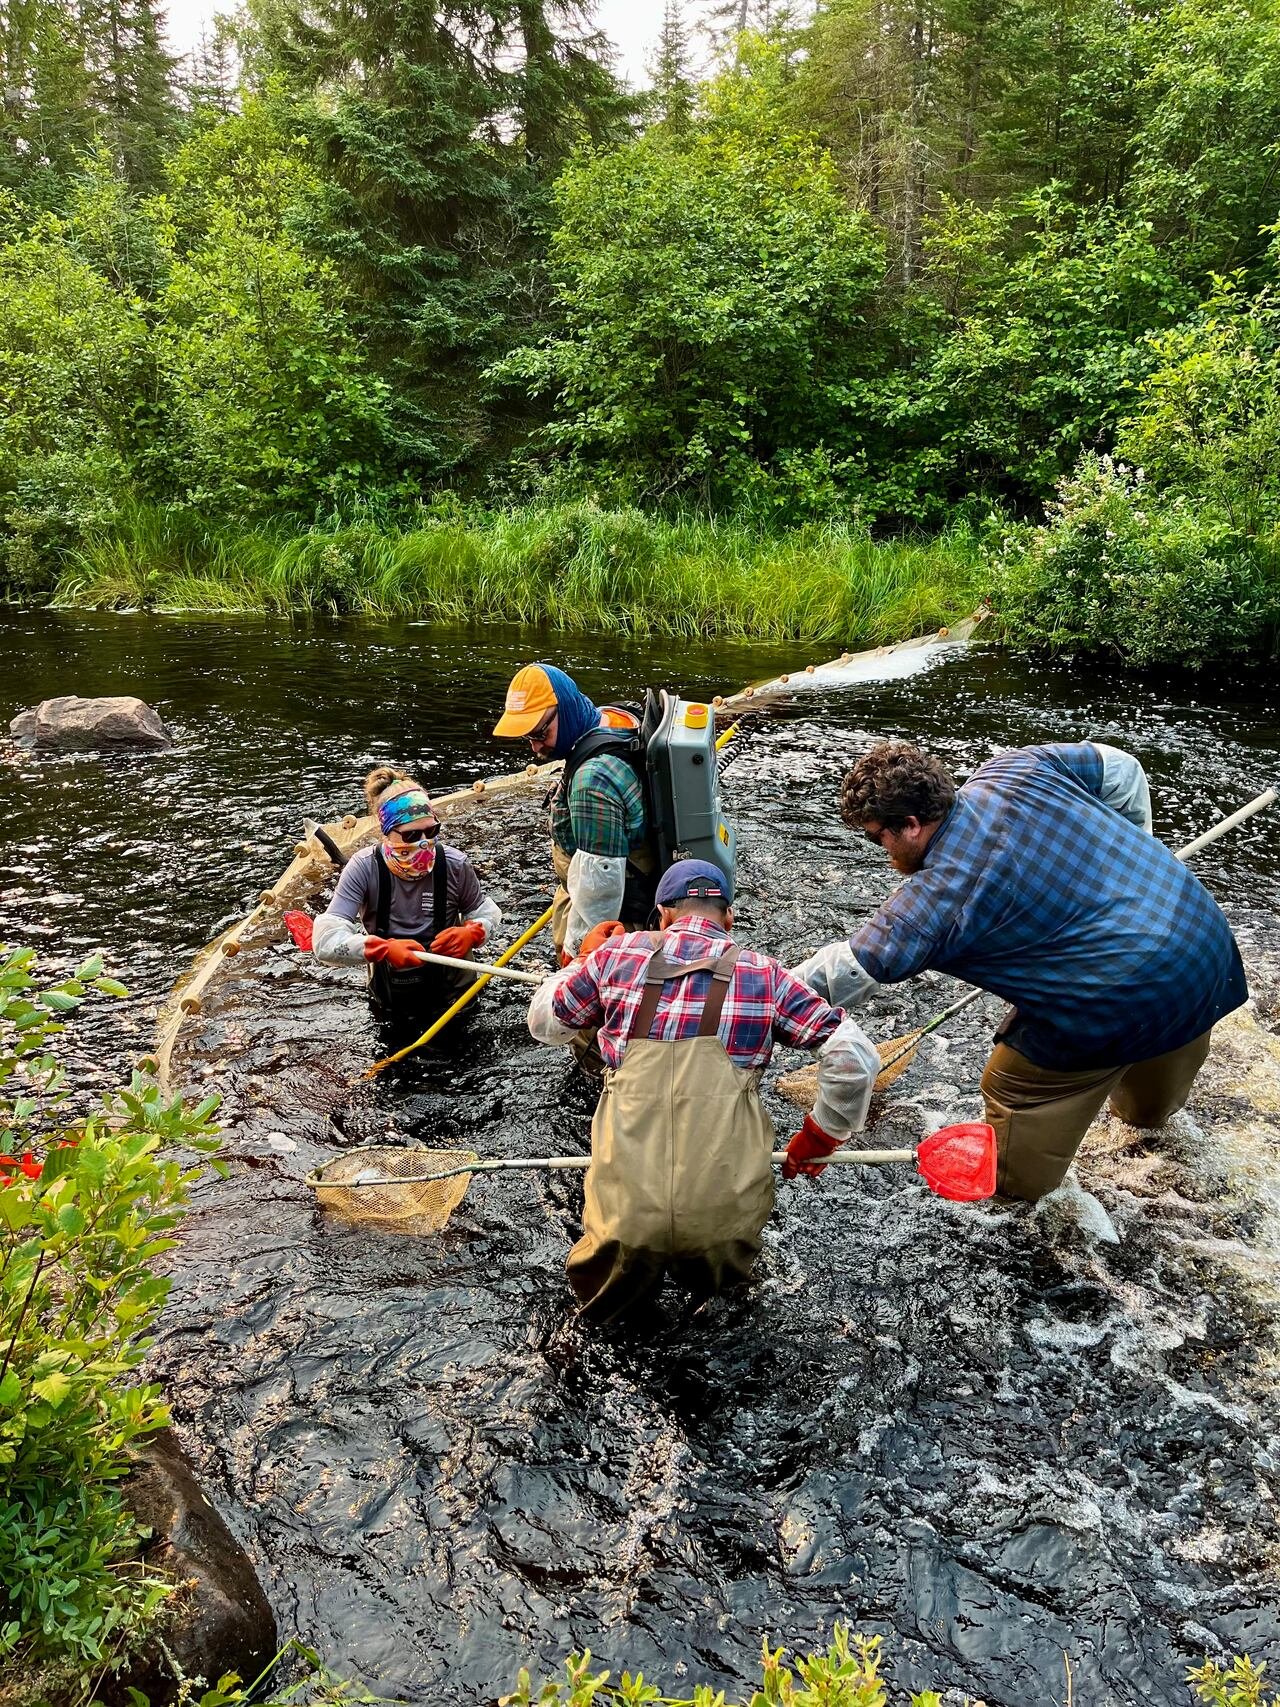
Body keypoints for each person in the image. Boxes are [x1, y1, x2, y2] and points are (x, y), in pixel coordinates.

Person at [791, 739, 1248, 1202]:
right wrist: (1140, 850)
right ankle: (1149, 1126)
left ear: (910, 825)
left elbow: (837, 973)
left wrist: (743, 994)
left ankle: (1016, 1194)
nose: (880, 849)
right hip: (1203, 943)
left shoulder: (927, 905)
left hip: (1120, 998)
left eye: (877, 837)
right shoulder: (1020, 768)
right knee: (1164, 1027)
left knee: (1011, 1083)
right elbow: (1124, 770)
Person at [527, 858, 880, 1323]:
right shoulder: (767, 975)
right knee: (726, 1322)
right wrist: (822, 1133)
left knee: (603, 1326)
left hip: (626, 1217)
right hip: (721, 1220)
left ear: (663, 916)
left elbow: (544, 1024)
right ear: (728, 918)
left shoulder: (616, 956)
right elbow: (854, 1057)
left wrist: (581, 961)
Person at [493, 664, 659, 961]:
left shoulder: (592, 781)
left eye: (541, 732)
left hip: (616, 925)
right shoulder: (614, 718)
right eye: (527, 737)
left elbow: (601, 884)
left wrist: (579, 951)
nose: (535, 747)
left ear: (566, 708)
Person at [313, 766, 502, 1025]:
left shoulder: (456, 864)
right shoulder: (363, 867)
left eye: (431, 831)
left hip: (456, 995)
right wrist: (382, 949)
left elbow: (486, 912)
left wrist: (473, 932)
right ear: (386, 832)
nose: (424, 842)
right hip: (391, 997)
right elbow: (325, 941)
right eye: (411, 835)